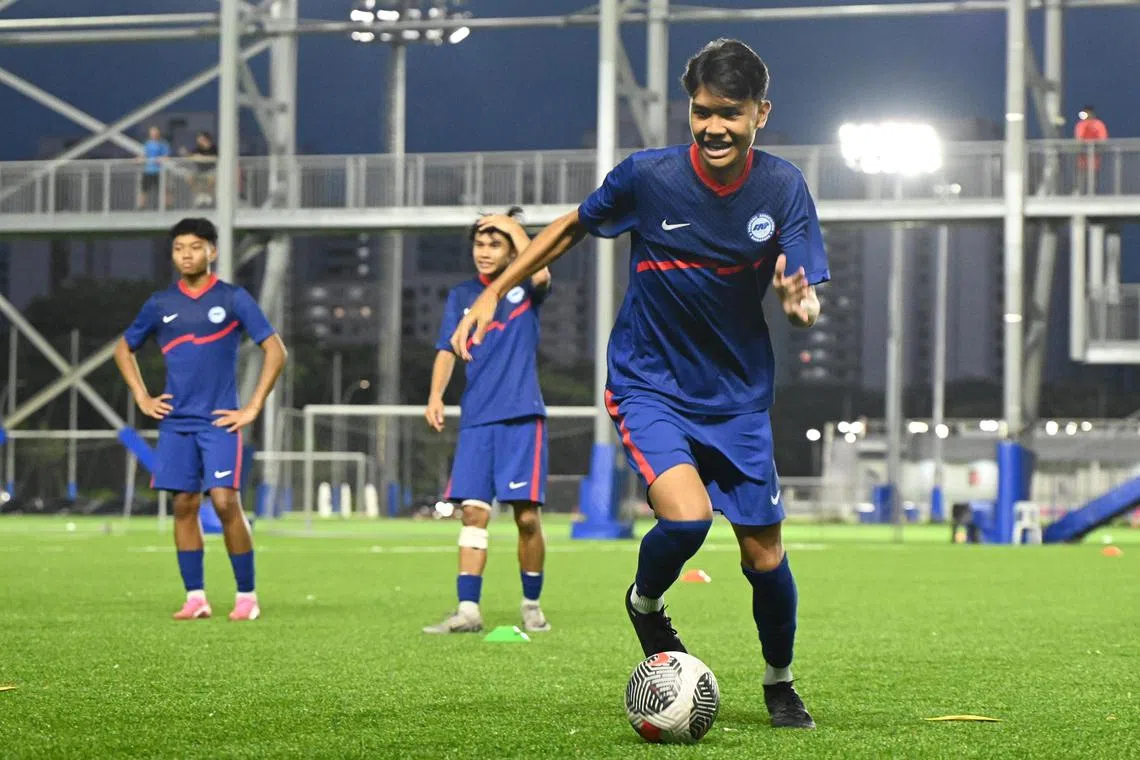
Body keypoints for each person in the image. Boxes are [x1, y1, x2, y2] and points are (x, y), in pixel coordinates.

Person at [450, 39, 826, 729]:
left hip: (739, 399)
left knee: (763, 554)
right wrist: (492, 293)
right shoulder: (647, 178)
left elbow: (805, 294)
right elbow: (568, 228)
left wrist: (802, 306)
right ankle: (645, 603)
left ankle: (780, 681)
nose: (714, 127)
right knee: (686, 519)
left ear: (760, 115)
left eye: (731, 114)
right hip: (648, 384)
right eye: (703, 111)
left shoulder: (783, 189)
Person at [113, 217, 287, 621]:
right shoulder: (160, 304)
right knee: (184, 505)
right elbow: (124, 349)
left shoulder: (233, 298)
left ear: (212, 251)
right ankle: (196, 598)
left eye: (194, 247)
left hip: (220, 422)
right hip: (176, 423)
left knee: (226, 502)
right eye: (178, 248)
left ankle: (247, 596)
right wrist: (142, 396)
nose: (186, 255)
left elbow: (275, 351)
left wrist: (253, 406)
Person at [422, 206, 554, 635]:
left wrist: (513, 226)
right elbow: (446, 348)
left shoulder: (525, 288)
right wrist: (436, 395)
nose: (484, 250)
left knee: (527, 518)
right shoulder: (462, 296)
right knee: (473, 515)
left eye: (494, 242)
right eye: (480, 242)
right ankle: (468, 611)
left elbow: (541, 272)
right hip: (478, 420)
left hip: (521, 417)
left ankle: (531, 604)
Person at [1074, 105, 1108, 195]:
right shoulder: (1080, 125)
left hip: (1094, 158)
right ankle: (1081, 195)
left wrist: (1095, 145)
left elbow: (1102, 138)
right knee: (1082, 178)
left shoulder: (1098, 124)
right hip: (1082, 158)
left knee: (1093, 179)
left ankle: (1092, 195)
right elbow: (1079, 138)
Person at [136, 126, 170, 210]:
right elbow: (143, 155)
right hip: (148, 170)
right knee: (144, 190)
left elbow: (166, 156)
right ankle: (141, 207)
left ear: (158, 133)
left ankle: (168, 206)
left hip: (159, 171)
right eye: (152, 133)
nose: (154, 134)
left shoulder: (163, 144)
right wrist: (139, 159)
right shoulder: (147, 144)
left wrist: (161, 159)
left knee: (164, 189)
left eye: (155, 133)